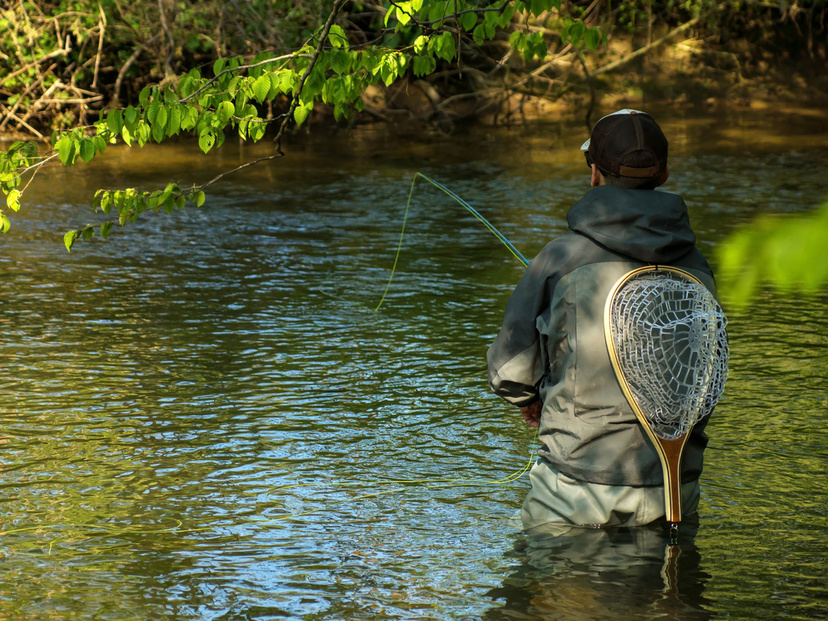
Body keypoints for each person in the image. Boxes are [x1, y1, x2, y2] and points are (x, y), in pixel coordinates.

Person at [487, 109, 720, 531]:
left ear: (594, 174)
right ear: (665, 174)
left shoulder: (560, 258)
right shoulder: (700, 268)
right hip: (676, 489)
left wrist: (532, 400)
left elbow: (509, 370)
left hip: (577, 490)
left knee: (537, 593)